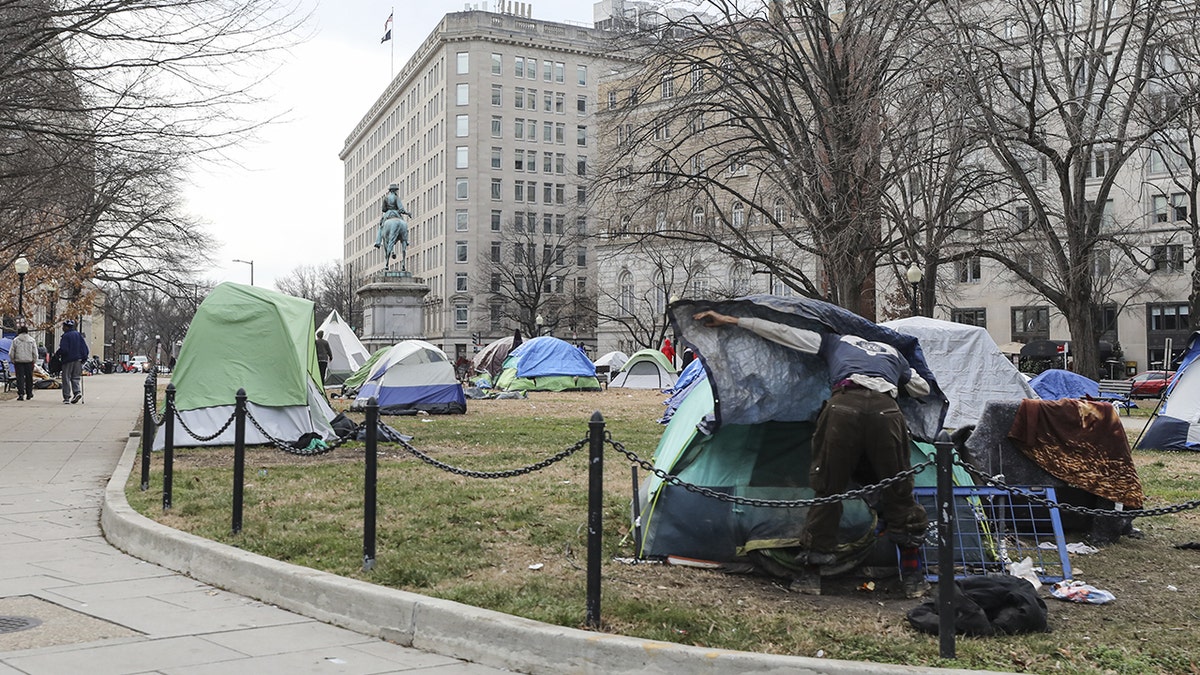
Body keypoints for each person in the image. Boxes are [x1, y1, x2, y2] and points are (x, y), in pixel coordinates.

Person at [693, 309, 931, 598]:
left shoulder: (836, 341)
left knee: (829, 488)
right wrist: (893, 381)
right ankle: (913, 576)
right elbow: (922, 387)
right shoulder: (893, 353)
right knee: (898, 489)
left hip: (844, 407)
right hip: (886, 411)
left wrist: (732, 320)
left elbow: (783, 333)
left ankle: (811, 575)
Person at [57, 320, 89, 404]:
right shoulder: (78, 335)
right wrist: (84, 357)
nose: (62, 328)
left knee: (66, 378)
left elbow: (64, 349)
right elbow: (84, 348)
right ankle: (77, 392)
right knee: (75, 377)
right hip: (78, 359)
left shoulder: (66, 336)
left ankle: (67, 397)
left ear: (67, 327)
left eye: (63, 326)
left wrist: (59, 354)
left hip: (68, 360)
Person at [10, 326, 38, 401]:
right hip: (29, 362)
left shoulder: (15, 340)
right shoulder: (32, 340)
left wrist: (13, 360)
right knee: (29, 378)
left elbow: (11, 352)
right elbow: (35, 353)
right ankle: (29, 393)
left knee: (20, 378)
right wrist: (34, 360)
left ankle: (21, 394)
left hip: (19, 362)